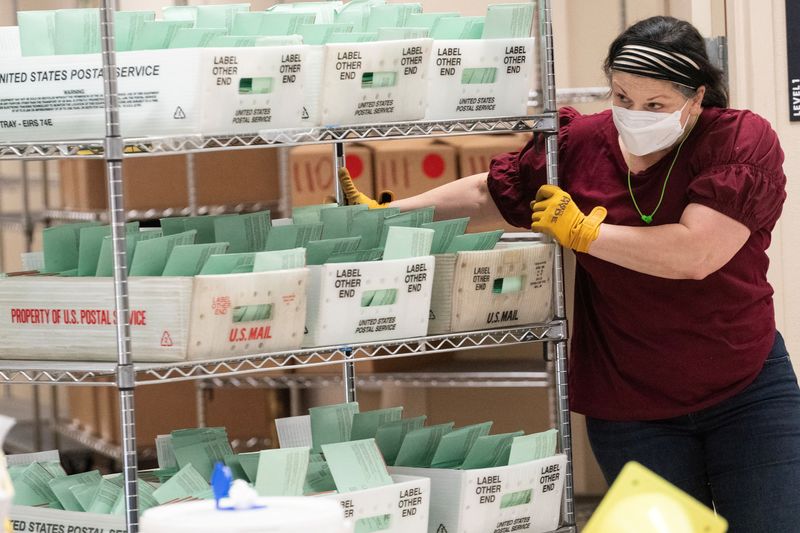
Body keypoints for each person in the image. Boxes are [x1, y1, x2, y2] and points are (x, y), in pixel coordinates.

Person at [338, 15, 799, 533]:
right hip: (632, 407)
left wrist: (585, 234)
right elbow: (490, 194)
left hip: (746, 391)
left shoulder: (739, 141)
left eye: (656, 106)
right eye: (622, 97)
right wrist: (394, 214)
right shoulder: (582, 144)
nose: (634, 114)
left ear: (696, 98)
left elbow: (695, 254)